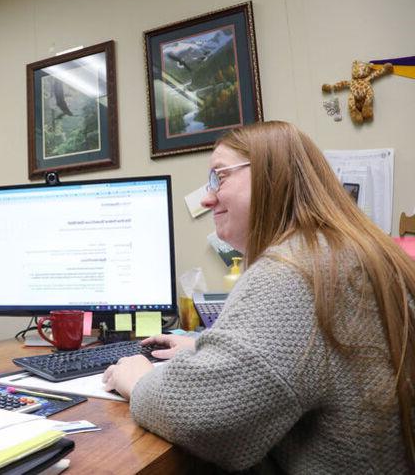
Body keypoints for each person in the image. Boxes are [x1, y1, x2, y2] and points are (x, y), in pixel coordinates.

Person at [102, 121, 414, 472]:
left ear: (271, 175)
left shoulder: (293, 271)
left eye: (220, 177)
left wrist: (139, 378)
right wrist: (210, 349)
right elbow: (314, 357)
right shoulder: (350, 252)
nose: (206, 198)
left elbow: (202, 415)